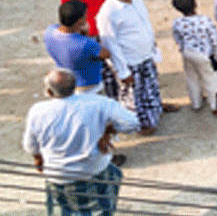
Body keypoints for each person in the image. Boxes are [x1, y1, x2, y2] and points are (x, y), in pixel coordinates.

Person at [22, 69, 139, 216]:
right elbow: (132, 122)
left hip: (58, 176)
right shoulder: (99, 103)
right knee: (110, 183)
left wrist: (38, 159)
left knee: (65, 209)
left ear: (49, 92)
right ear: (75, 86)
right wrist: (108, 131)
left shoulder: (38, 111)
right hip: (93, 169)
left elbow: (31, 146)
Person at [96, 0, 178, 135]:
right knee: (133, 97)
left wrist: (151, 43)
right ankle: (139, 125)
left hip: (146, 55)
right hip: (130, 62)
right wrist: (123, 71)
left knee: (150, 86)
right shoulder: (107, 14)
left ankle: (155, 110)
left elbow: (144, 21)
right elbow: (111, 45)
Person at [171, 0, 217, 118]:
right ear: (195, 4)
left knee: (192, 78)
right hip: (205, 55)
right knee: (213, 81)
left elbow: (178, 38)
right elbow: (214, 39)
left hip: (188, 53)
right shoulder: (205, 21)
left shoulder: (177, 22)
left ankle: (196, 103)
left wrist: (183, 50)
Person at [45, 0, 108, 94]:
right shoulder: (86, 43)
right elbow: (106, 54)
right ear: (80, 21)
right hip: (89, 87)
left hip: (66, 83)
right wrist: (86, 35)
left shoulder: (49, 31)